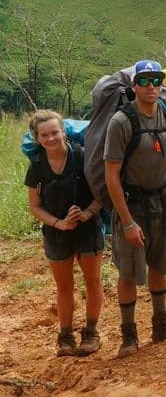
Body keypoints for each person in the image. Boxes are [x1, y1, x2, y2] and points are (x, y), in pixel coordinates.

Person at [103, 59, 166, 358]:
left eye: (156, 80)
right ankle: (129, 334)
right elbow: (111, 175)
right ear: (134, 86)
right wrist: (127, 222)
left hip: (163, 201)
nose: (151, 86)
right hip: (132, 203)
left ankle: (161, 322)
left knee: (159, 262)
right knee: (128, 271)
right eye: (144, 81)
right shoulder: (121, 122)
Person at [25, 110, 105, 357]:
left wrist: (87, 213)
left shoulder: (82, 157)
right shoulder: (37, 167)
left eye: (55, 133)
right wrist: (58, 223)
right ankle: (65, 335)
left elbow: (102, 193)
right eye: (44, 135)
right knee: (64, 286)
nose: (51, 139)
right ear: (37, 138)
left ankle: (91, 332)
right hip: (56, 233)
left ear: (64, 132)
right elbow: (35, 206)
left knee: (92, 281)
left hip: (87, 229)